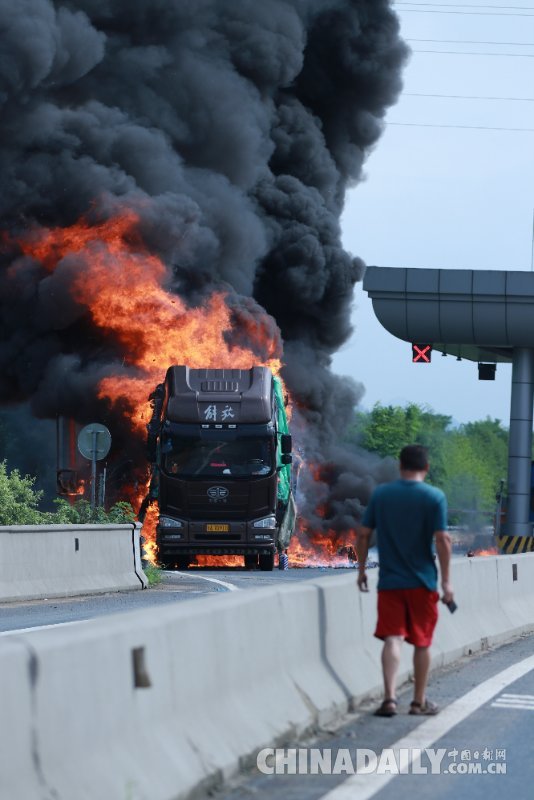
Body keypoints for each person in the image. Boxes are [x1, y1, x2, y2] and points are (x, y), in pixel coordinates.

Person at [357, 444, 454, 717]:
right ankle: (418, 701)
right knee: (422, 642)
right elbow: (443, 540)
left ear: (400, 466)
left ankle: (389, 699)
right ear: (426, 467)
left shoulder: (382, 495)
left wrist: (361, 570)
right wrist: (447, 582)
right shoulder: (434, 497)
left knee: (393, 638)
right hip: (423, 582)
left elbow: (363, 535)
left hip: (389, 582)